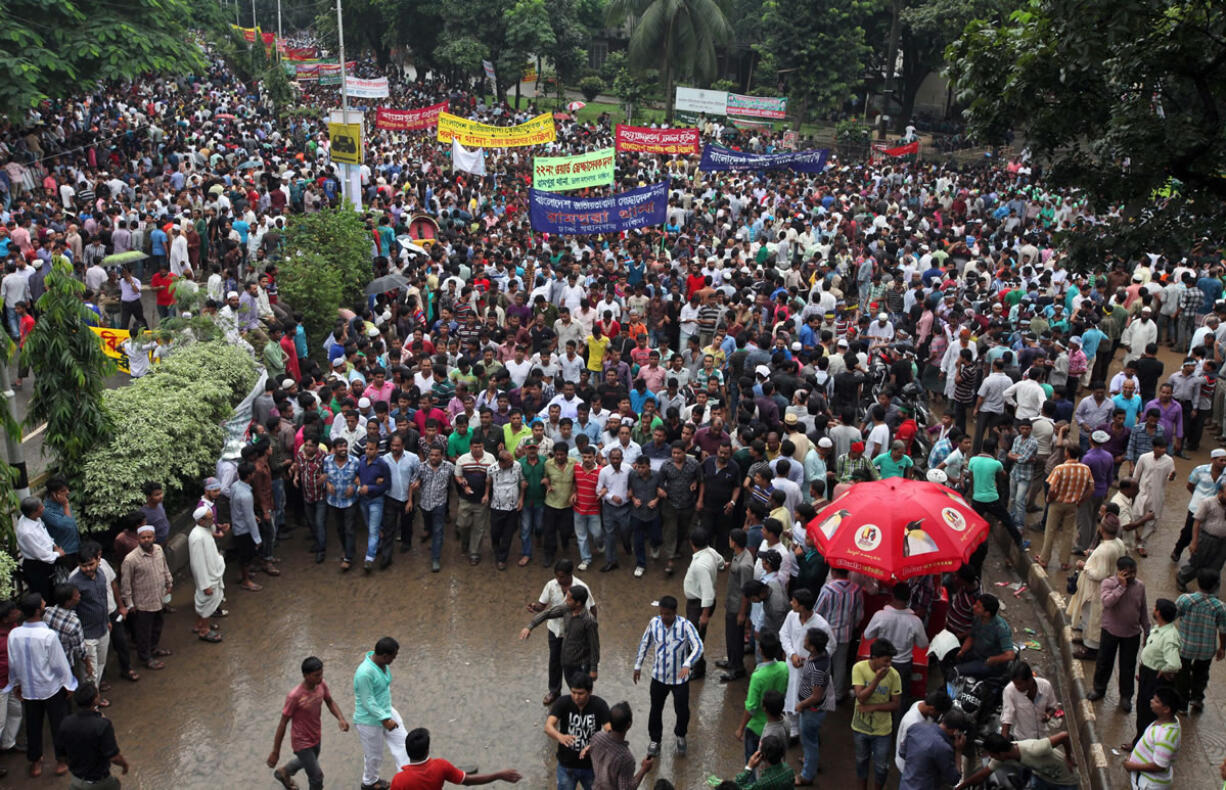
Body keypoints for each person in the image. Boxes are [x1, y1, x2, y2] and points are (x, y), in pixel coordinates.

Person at [3, 592, 76, 778]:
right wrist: (69, 684)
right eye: (43, 603)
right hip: (50, 688)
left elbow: (14, 662)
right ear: (37, 611)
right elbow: (59, 664)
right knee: (58, 725)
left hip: (28, 688)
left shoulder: (14, 634)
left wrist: (16, 683)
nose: (45, 604)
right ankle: (61, 760)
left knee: (33, 726)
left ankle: (35, 762)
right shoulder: (48, 635)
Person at [632, 595, 703, 757]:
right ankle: (655, 740)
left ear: (675, 612)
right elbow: (645, 643)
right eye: (662, 613)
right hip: (658, 677)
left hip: (680, 679)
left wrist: (687, 663)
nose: (664, 617)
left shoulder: (685, 626)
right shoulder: (654, 623)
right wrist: (638, 665)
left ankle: (680, 735)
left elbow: (698, 646)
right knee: (655, 709)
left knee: (682, 710)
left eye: (668, 614)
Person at [268, 656, 350, 790]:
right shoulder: (295, 696)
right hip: (301, 741)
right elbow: (283, 723)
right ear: (306, 675)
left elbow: (329, 701)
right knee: (317, 777)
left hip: (315, 736)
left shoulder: (321, 685)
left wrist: (340, 718)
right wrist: (275, 751)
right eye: (317, 675)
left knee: (307, 762)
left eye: (321, 674)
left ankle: (284, 772)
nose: (320, 677)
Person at [528, 560, 597, 706]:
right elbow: (546, 609)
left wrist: (589, 630)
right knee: (555, 661)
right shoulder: (551, 586)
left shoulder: (581, 588)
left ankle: (579, 693)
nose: (559, 580)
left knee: (574, 666)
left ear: (570, 575)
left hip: (574, 636)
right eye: (557, 577)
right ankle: (555, 691)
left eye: (562, 577)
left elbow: (592, 608)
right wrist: (535, 610)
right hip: (555, 630)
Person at [1088, 556, 1149, 710]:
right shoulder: (1108, 583)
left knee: (1128, 666)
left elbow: (1143, 609)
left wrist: (1147, 630)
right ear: (1120, 572)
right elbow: (1107, 602)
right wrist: (1121, 587)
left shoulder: (1140, 586)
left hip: (1132, 633)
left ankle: (1126, 696)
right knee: (1104, 662)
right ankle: (1099, 689)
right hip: (1111, 630)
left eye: (1134, 572)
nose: (1132, 576)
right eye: (1128, 573)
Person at [1068, 510, 1127, 660]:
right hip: (1110, 585)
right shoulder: (1118, 543)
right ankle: (1087, 641)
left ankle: (1091, 648)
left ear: (1102, 529)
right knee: (1093, 617)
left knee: (1092, 618)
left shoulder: (1104, 550)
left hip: (1097, 589)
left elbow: (1099, 574)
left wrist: (1084, 567)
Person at [354, 636, 410, 790]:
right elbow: (367, 701)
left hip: (386, 710)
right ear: (385, 656)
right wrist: (385, 719)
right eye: (393, 656)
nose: (394, 659)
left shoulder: (383, 664)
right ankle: (369, 782)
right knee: (374, 755)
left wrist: (387, 715)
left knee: (404, 743)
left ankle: (407, 777)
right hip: (369, 720)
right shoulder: (364, 673)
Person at [521, 585, 600, 690]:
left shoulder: (589, 621)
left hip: (581, 664)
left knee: (581, 691)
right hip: (567, 660)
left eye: (569, 599)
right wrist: (530, 627)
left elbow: (594, 646)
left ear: (578, 603)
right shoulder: (567, 609)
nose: (566, 601)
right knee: (573, 688)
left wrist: (594, 669)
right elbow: (548, 613)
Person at [389, 727, 522, 788]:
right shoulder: (440, 766)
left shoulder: (399, 780)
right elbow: (468, 781)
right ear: (427, 749)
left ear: (407, 751)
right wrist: (498, 775)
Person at [118, 524, 173, 670]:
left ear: (154, 538)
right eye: (143, 538)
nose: (146, 540)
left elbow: (164, 567)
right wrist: (129, 604)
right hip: (142, 603)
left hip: (159, 598)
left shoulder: (159, 550)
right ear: (138, 539)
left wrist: (169, 582)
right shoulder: (130, 560)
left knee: (157, 626)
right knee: (143, 633)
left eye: (149, 537)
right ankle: (145, 657)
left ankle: (154, 649)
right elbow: (125, 585)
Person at [850, 638, 902, 790]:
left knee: (881, 766)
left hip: (883, 731)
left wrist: (873, 707)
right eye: (886, 661)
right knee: (861, 761)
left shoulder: (894, 675)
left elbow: (896, 704)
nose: (889, 665)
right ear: (874, 658)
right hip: (860, 728)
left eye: (890, 660)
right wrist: (877, 679)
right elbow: (861, 697)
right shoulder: (859, 668)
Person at [545, 673, 610, 790]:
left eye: (580, 693)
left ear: (590, 691)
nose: (576, 697)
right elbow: (548, 726)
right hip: (566, 766)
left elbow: (611, 733)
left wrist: (594, 745)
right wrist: (560, 736)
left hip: (592, 766)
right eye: (573, 692)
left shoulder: (600, 705)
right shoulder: (563, 702)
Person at [1174, 569, 1226, 713]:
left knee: (1182, 674)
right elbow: (1223, 630)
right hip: (1206, 649)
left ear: (1197, 582)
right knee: (1202, 673)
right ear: (1216, 586)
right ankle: (1197, 698)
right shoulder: (1220, 607)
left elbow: (1172, 616)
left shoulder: (1185, 599)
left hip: (1185, 647)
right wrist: (1222, 648)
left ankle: (1182, 704)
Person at [1132, 599, 1182, 749]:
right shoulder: (1159, 629)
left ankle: (1144, 745)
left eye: (1155, 607)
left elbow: (1174, 663)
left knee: (1148, 712)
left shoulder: (1169, 636)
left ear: (1158, 613)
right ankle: (1138, 741)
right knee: (1142, 709)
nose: (1153, 609)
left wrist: (1163, 670)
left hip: (1155, 679)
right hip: (1147, 674)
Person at [59, 683, 129, 789]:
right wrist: (124, 764)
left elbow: (61, 752)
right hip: (98, 782)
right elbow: (113, 756)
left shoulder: (66, 723)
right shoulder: (103, 725)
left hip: (76, 780)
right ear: (95, 700)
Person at [734, 631, 789, 765]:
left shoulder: (758, 677)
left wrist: (741, 728)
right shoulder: (784, 668)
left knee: (752, 763)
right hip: (777, 721)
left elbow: (751, 707)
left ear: (760, 650)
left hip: (757, 727)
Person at [957, 732, 1081, 790]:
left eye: (992, 754)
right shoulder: (1002, 758)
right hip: (1041, 777)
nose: (991, 757)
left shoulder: (1034, 748)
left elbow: (1064, 735)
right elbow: (982, 775)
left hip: (1066, 781)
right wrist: (961, 787)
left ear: (1000, 754)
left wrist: (1069, 757)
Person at [681, 527, 724, 679]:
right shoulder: (710, 552)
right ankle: (697, 665)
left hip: (698, 605)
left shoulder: (700, 565)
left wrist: (704, 616)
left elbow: (708, 593)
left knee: (694, 638)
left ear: (692, 543)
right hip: (698, 603)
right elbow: (721, 562)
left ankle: (698, 668)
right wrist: (722, 567)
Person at [794, 628, 835, 786]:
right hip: (812, 709)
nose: (804, 640)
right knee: (811, 739)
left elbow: (816, 696)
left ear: (812, 647)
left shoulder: (818, 668)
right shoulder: (820, 656)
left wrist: (801, 705)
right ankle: (809, 760)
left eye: (806, 639)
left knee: (809, 741)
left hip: (811, 710)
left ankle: (807, 775)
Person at [585, 701, 654, 790]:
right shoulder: (626, 758)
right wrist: (644, 769)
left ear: (610, 721)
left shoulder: (597, 737)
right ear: (629, 725)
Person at [1124, 686, 1183, 790]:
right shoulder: (1167, 721)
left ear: (1166, 709)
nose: (1151, 701)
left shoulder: (1165, 736)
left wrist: (1132, 766)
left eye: (1156, 701)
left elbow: (1159, 765)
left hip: (1149, 784)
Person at [896, 708, 970, 790]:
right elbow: (954, 779)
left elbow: (902, 753)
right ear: (955, 732)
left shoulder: (916, 727)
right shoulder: (944, 748)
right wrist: (958, 751)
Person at [718, 528, 755, 682]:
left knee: (735, 638)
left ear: (734, 542)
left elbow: (745, 592)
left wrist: (742, 613)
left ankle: (737, 667)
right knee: (730, 635)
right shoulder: (739, 555)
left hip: (737, 606)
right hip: (731, 603)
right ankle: (732, 661)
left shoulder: (745, 565)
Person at [954, 593, 1016, 678]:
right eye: (975, 604)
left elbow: (1010, 655)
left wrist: (992, 660)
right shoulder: (978, 618)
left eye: (978, 606)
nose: (974, 607)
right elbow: (972, 636)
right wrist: (962, 651)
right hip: (976, 653)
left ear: (987, 613)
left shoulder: (1001, 629)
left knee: (957, 671)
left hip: (988, 663)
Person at [187, 506, 225, 643]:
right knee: (206, 604)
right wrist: (205, 585)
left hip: (212, 573)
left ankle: (200, 625)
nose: (213, 520)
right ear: (201, 520)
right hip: (207, 578)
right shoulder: (197, 537)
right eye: (210, 518)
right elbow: (197, 564)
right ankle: (205, 631)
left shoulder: (205, 530)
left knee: (207, 605)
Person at [15, 495, 63, 603]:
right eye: (41, 508)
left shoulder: (35, 518)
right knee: (43, 595)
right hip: (37, 566)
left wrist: (53, 545)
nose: (43, 509)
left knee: (52, 589)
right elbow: (42, 555)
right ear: (32, 512)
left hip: (46, 560)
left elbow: (44, 533)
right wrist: (58, 554)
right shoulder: (27, 532)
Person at [894, 689, 953, 777]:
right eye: (939, 713)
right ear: (932, 709)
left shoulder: (921, 704)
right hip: (908, 768)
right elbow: (905, 751)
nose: (940, 716)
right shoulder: (912, 723)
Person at [1001, 662, 1058, 741]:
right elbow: (1007, 718)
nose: (1017, 687)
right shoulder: (1009, 691)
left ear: (1030, 679)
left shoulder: (1045, 686)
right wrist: (1003, 744)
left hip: (1043, 737)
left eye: (1020, 684)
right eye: (1015, 684)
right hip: (1023, 740)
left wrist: (1048, 715)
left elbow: (1053, 707)